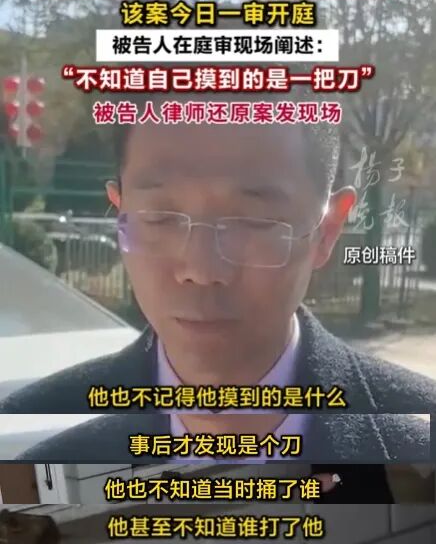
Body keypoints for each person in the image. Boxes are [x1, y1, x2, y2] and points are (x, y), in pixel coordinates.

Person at [0, 92, 434, 463]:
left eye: (252, 221)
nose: (200, 270)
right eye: (160, 217)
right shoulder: (31, 439)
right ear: (120, 212)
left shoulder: (417, 442)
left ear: (327, 231)